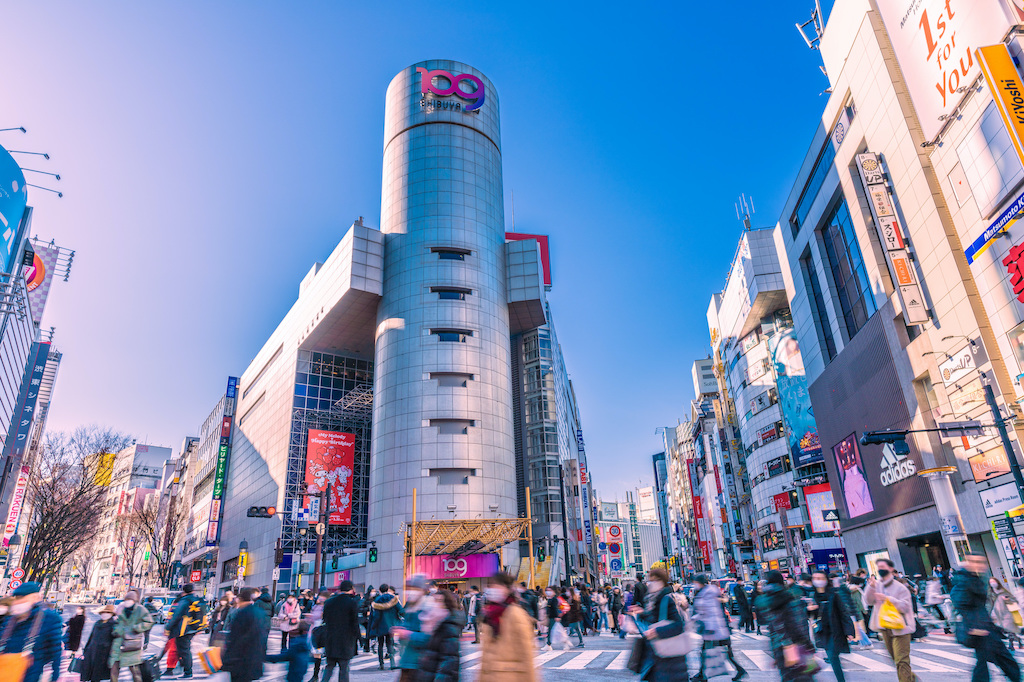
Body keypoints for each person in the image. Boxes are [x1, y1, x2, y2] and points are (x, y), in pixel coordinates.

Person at [952, 553, 1021, 682]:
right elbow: (962, 605)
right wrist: (974, 626)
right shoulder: (964, 581)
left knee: (986, 663)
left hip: (984, 627)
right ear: (968, 563)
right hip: (980, 629)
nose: (981, 565)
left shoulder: (974, 578)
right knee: (1001, 661)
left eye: (982, 562)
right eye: (976, 562)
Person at [628, 567, 688, 682]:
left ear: (661, 581)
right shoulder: (652, 600)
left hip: (668, 658)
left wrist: (657, 632)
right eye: (650, 580)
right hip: (656, 655)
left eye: (654, 580)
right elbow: (655, 619)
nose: (650, 583)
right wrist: (641, 613)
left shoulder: (666, 599)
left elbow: (678, 625)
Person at [754, 570, 814, 682]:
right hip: (796, 645)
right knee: (804, 677)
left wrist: (776, 655)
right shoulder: (789, 596)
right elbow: (798, 623)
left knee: (787, 677)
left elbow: (773, 629)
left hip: (779, 647)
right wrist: (809, 645)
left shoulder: (766, 600)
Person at [475, 571, 536, 681]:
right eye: (490, 586)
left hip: (509, 676)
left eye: (495, 586)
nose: (491, 590)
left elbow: (527, 656)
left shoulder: (515, 614)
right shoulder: (490, 614)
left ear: (506, 588)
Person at [864, 558, 916, 682]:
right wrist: (871, 588)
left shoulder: (900, 587)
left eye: (883, 566)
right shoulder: (877, 585)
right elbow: (868, 601)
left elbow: (905, 606)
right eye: (879, 567)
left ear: (891, 569)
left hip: (901, 628)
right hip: (884, 627)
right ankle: (912, 679)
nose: (880, 569)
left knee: (901, 660)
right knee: (896, 659)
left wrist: (888, 599)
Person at [689, 573, 746, 682]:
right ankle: (739, 670)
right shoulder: (710, 592)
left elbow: (711, 612)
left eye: (696, 582)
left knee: (707, 652)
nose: (695, 584)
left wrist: (706, 627)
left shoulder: (707, 593)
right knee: (722, 652)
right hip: (718, 628)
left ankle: (702, 676)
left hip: (713, 630)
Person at [810, 570, 854, 682]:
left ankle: (841, 680)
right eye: (815, 578)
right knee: (832, 656)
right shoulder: (812, 596)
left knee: (833, 656)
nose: (817, 581)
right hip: (822, 631)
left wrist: (849, 631)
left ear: (826, 580)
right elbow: (808, 614)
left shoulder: (833, 594)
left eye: (820, 578)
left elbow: (843, 612)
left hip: (836, 630)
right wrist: (809, 610)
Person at [221, 587, 269, 682]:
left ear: (241, 599)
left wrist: (227, 661)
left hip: (241, 661)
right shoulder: (260, 613)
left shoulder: (242, 614)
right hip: (255, 659)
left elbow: (235, 639)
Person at [415, 589, 463, 682]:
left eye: (440, 601)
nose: (435, 604)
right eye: (434, 600)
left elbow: (449, 662)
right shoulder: (432, 625)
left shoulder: (448, 627)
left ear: (447, 605)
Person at [109, 590, 154, 682]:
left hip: (132, 643)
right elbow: (118, 622)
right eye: (126, 599)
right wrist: (116, 630)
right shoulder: (122, 608)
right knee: (114, 667)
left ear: (134, 600)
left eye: (130, 599)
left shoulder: (140, 609)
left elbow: (149, 621)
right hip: (119, 643)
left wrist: (137, 628)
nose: (127, 601)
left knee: (134, 669)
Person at [321, 580, 360, 682]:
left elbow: (325, 619)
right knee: (344, 668)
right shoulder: (352, 603)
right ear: (351, 589)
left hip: (331, 639)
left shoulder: (329, 602)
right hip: (345, 641)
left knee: (329, 666)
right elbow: (355, 623)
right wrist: (359, 638)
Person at [392, 575, 430, 682]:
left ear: (422, 590)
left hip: (420, 664)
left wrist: (408, 634)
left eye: (415, 588)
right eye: (410, 588)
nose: (412, 592)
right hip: (407, 662)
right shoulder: (411, 607)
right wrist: (399, 630)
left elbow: (430, 638)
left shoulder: (427, 607)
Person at [166, 582, 205, 679]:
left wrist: (168, 628)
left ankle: (188, 672)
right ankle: (185, 667)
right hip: (193, 628)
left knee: (184, 650)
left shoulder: (184, 601)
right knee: (185, 650)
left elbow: (176, 616)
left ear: (184, 591)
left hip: (184, 630)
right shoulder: (196, 599)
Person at [368, 583, 404, 670]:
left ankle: (381, 664)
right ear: (388, 589)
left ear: (380, 590)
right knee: (390, 644)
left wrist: (373, 626)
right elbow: (401, 610)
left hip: (380, 626)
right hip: (391, 626)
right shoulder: (393, 599)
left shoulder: (377, 600)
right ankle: (392, 663)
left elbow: (376, 616)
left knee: (380, 644)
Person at [80, 604, 116, 682]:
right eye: (104, 612)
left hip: (103, 654)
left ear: (111, 614)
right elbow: (91, 637)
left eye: (108, 613)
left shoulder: (113, 625)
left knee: (97, 675)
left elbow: (115, 640)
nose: (105, 614)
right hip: (91, 651)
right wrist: (86, 649)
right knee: (87, 672)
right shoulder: (97, 623)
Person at [989, 576, 1022, 651]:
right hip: (998, 614)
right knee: (1008, 629)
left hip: (1008, 613)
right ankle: (1019, 640)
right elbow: (990, 604)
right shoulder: (991, 593)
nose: (993, 583)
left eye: (993, 581)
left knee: (1009, 628)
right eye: (991, 582)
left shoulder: (1004, 591)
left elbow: (1014, 600)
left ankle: (1011, 644)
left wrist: (1007, 600)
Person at [359, 586, 377, 654]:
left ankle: (372, 646)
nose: (374, 593)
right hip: (366, 619)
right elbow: (360, 608)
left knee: (372, 633)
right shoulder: (365, 599)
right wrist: (367, 611)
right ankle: (366, 646)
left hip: (374, 618)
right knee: (368, 633)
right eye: (372, 591)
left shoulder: (376, 599)